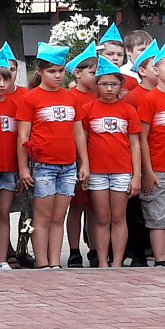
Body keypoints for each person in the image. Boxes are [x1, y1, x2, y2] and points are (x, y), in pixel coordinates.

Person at [16, 42, 88, 269]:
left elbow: (79, 133)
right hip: (43, 165)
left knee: (59, 217)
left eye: (60, 71)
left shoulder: (71, 97)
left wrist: (83, 163)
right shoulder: (31, 98)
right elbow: (23, 136)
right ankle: (42, 262)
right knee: (42, 217)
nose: (57, 76)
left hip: (68, 165)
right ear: (39, 71)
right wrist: (23, 168)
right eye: (51, 71)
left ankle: (55, 262)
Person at [78, 57, 143, 267]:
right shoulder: (88, 109)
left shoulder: (128, 110)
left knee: (119, 217)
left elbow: (135, 144)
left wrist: (137, 175)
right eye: (104, 84)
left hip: (122, 170)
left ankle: (117, 262)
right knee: (102, 217)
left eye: (113, 84)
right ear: (97, 85)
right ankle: (103, 261)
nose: (108, 88)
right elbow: (83, 140)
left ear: (120, 85)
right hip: (97, 171)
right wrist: (85, 166)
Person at [0, 46, 22, 270]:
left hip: (9, 167)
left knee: (3, 214)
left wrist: (21, 169)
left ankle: (2, 258)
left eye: (5, 80)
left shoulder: (16, 104)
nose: (2, 85)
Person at [65, 43, 99, 266]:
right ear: (77, 73)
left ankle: (95, 249)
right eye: (93, 73)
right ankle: (74, 249)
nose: (97, 78)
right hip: (76, 160)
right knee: (76, 206)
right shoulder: (71, 96)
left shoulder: (102, 95)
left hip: (100, 159)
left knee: (95, 207)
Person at [137, 48, 165, 266]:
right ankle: (160, 259)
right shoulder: (150, 100)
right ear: (155, 71)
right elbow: (142, 139)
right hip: (158, 167)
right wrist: (147, 171)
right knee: (158, 217)